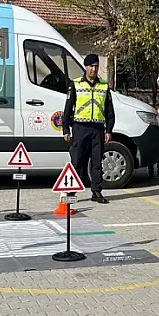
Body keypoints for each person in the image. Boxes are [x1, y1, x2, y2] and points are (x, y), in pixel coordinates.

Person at [62, 53, 115, 204]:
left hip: (98, 128)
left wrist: (109, 130)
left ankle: (96, 192)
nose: (94, 69)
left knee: (97, 162)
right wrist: (65, 129)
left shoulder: (104, 86)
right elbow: (68, 109)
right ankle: (71, 191)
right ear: (86, 67)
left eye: (96, 66)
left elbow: (110, 111)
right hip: (80, 127)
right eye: (91, 66)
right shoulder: (76, 84)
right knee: (77, 160)